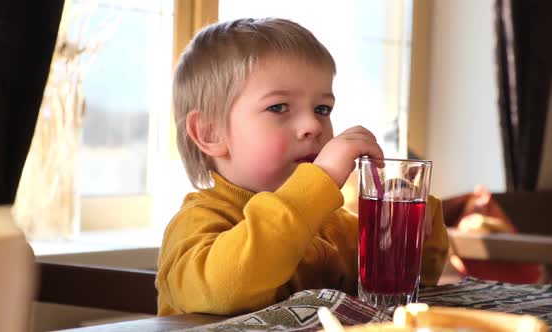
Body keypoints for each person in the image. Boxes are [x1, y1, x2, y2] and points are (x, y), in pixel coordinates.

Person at [156, 17, 449, 316]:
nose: (313, 125)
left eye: (322, 109)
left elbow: (413, 284)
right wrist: (320, 179)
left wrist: (411, 224)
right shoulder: (198, 222)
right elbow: (223, 290)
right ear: (210, 132)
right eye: (278, 107)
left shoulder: (336, 228)